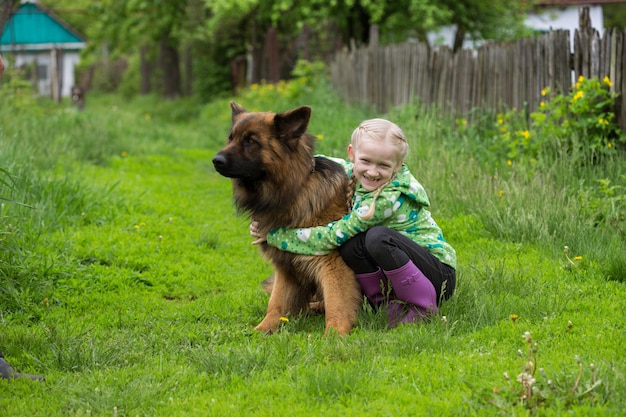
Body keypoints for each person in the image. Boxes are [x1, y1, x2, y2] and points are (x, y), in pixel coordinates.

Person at [251, 118, 456, 327]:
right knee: (352, 246)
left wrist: (275, 236)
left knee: (376, 238)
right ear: (352, 154)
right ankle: (386, 307)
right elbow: (321, 162)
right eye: (366, 161)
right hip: (404, 268)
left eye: (383, 165)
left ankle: (423, 307)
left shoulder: (387, 197)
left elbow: (332, 236)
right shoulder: (352, 171)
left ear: (398, 166)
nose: (372, 171)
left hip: (437, 275)